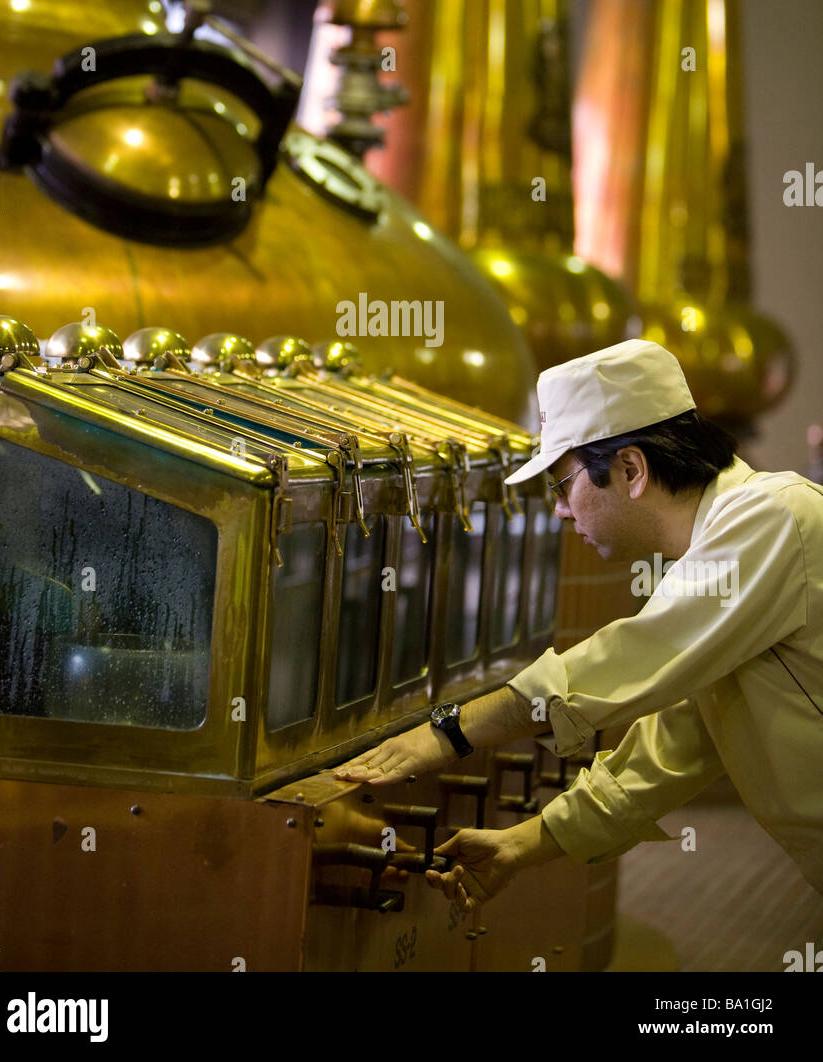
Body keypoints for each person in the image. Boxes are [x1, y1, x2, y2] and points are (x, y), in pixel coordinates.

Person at [334, 338, 823, 913]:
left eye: (563, 486)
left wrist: (448, 733)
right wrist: (519, 845)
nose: (561, 511)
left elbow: (629, 657)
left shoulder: (773, 517)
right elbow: (670, 749)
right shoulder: (719, 554)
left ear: (630, 469)